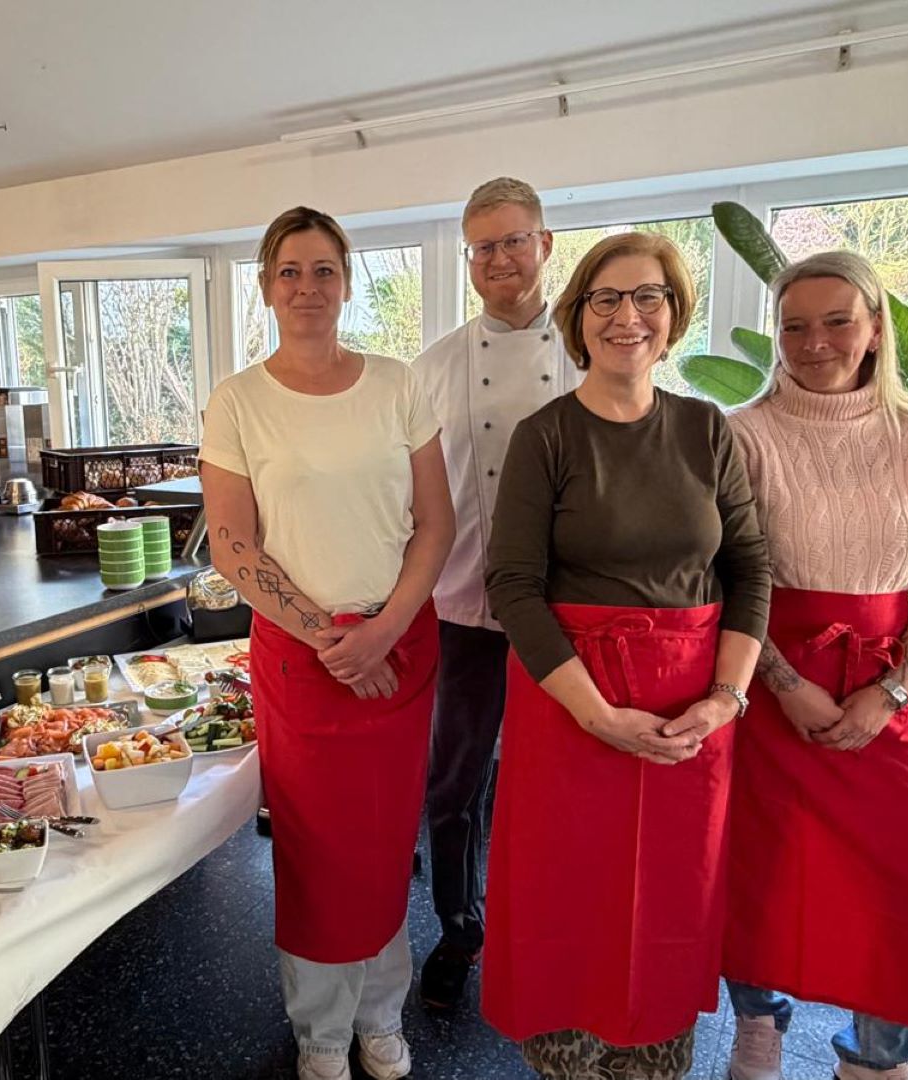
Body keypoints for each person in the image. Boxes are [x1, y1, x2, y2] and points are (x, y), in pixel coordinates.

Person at [483, 232, 772, 1080]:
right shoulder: (547, 436)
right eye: (606, 298)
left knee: (670, 902)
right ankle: (567, 1060)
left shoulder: (704, 429)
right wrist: (600, 715)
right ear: (579, 317)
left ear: (673, 315)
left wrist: (726, 700)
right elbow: (512, 585)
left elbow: (751, 565)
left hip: (692, 717)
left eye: (648, 297)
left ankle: (656, 1059)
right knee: (571, 904)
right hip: (573, 710)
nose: (627, 316)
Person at [199, 206, 455, 1080]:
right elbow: (232, 542)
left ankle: (382, 1016)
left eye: (324, 270)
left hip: (400, 646)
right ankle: (318, 1032)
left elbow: (436, 523)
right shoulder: (238, 401)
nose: (307, 287)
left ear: (347, 281)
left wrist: (380, 630)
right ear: (266, 286)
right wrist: (328, 636)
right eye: (289, 271)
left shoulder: (397, 384)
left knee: (385, 843)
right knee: (313, 848)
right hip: (300, 660)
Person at [722, 251, 908, 1080]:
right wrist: (786, 686)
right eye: (794, 325)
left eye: (836, 321)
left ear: (874, 331)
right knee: (761, 871)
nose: (814, 341)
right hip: (770, 685)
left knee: (900, 883)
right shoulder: (741, 434)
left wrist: (893, 689)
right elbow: (719, 578)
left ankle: (876, 1056)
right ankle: (759, 1025)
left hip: (887, 688)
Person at [411, 176, 579, 1010]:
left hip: (569, 613)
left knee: (558, 783)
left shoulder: (593, 353)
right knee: (455, 783)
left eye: (516, 240)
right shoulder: (435, 366)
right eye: (484, 247)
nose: (501, 259)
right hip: (465, 608)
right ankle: (458, 929)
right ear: (468, 260)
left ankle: (551, 928)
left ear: (546, 245)